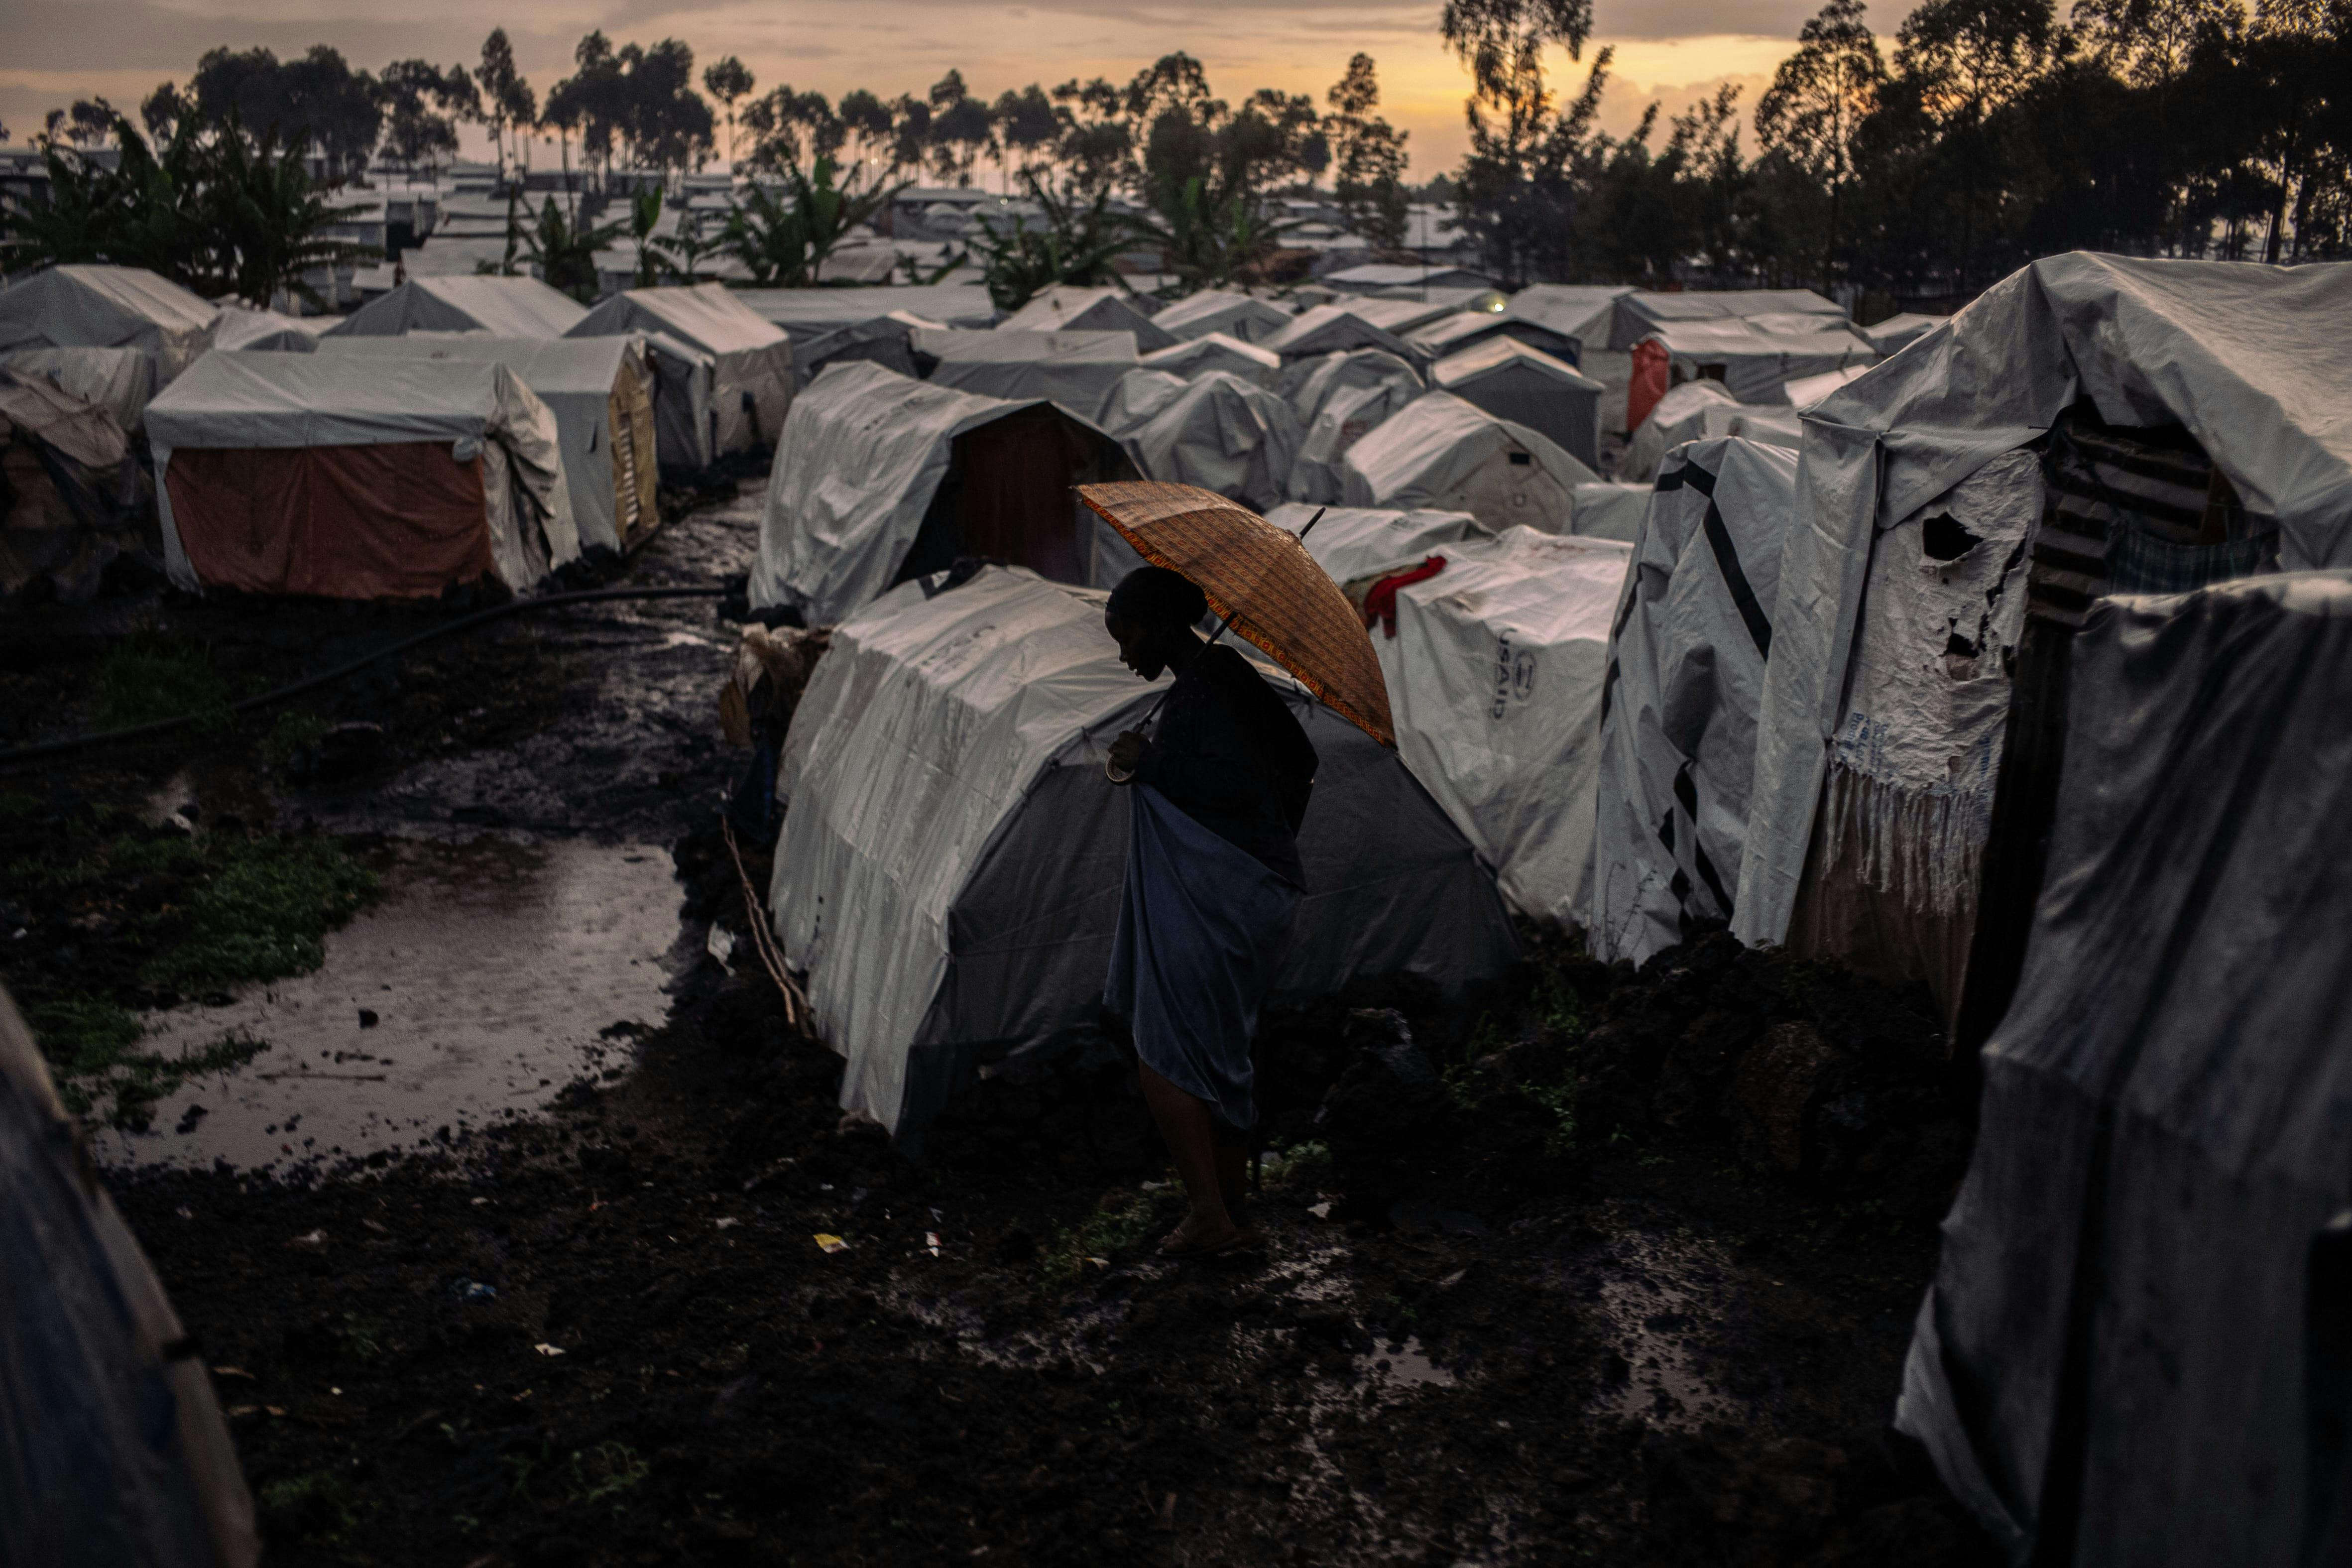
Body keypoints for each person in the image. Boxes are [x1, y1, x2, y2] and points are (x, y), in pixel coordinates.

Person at [1101, 566, 1318, 1257]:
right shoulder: (1212, 679)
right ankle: (1231, 1210)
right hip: (1247, 894)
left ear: (1162, 625)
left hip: (1224, 895)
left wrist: (1153, 765)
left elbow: (1233, 785)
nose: (1124, 653)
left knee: (1165, 1055)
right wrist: (1267, 846)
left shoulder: (1210, 683)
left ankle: (1208, 1216)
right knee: (1220, 1052)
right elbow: (1300, 760)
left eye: (1128, 635)